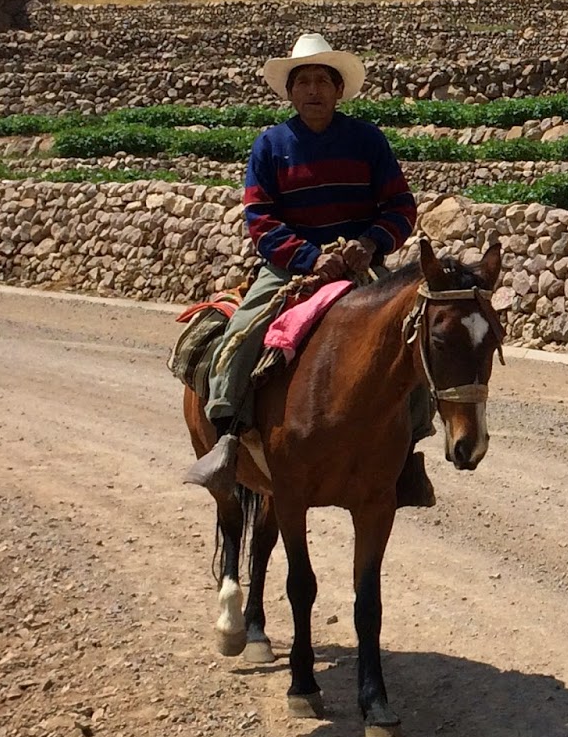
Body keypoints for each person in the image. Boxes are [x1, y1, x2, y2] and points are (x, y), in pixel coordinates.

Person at [185, 32, 435, 507]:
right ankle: (228, 438)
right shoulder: (271, 145)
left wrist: (370, 243)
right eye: (304, 81)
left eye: (323, 80)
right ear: (290, 91)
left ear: (339, 91)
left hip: (361, 268)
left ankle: (408, 452)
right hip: (290, 270)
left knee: (411, 339)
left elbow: (401, 206)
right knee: (240, 335)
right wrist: (308, 257)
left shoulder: (366, 140)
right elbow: (260, 219)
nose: (314, 90)